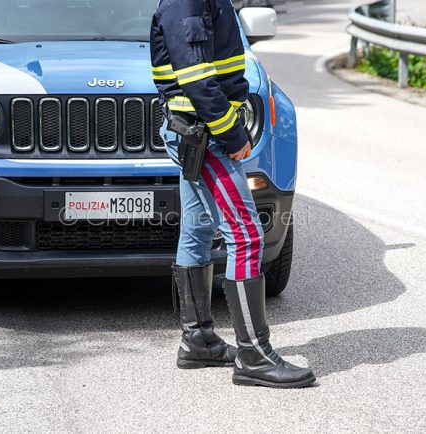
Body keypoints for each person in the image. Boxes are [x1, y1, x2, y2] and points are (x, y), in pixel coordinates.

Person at [151, 0, 316, 388]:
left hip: (199, 130)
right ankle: (253, 355)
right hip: (204, 135)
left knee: (196, 230)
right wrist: (232, 134)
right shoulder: (185, 1)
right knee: (245, 234)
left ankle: (199, 341)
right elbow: (196, 79)